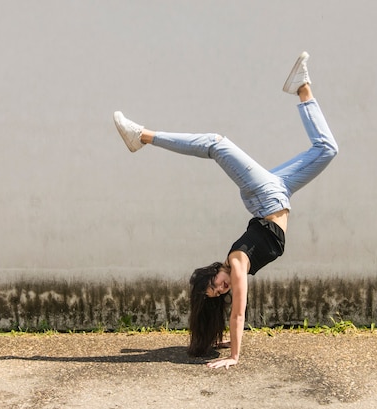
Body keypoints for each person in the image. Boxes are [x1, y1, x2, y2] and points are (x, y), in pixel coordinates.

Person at [113, 52, 338, 369]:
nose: (222, 288)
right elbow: (235, 313)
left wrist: (234, 357)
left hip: (267, 198)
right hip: (279, 193)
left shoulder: (236, 263)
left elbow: (239, 313)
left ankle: (143, 136)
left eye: (215, 284)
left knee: (216, 144)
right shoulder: (236, 269)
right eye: (219, 292)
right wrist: (226, 340)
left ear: (215, 270)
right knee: (327, 150)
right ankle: (302, 87)